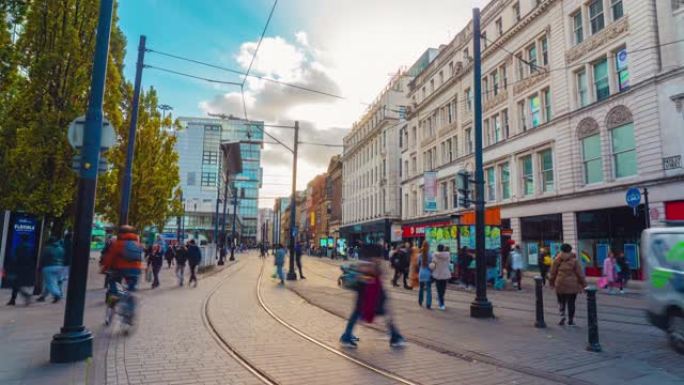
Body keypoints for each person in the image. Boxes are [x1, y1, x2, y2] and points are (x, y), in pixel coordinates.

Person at [339, 243, 405, 349]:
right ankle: (395, 336)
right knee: (385, 314)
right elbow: (371, 276)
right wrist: (374, 271)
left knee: (359, 315)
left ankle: (395, 336)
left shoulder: (366, 263)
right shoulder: (369, 264)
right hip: (370, 295)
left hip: (371, 295)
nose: (380, 258)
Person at [100, 225, 144, 323]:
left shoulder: (117, 243)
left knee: (113, 289)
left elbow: (109, 258)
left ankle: (110, 311)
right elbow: (141, 258)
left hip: (119, 269)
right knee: (131, 291)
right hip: (135, 270)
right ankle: (129, 312)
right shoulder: (138, 244)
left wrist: (104, 269)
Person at [549, 243, 586, 326]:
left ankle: (562, 316)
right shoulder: (574, 261)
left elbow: (552, 273)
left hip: (560, 284)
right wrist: (584, 285)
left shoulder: (556, 260)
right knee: (571, 303)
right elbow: (580, 274)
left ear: (561, 250)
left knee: (561, 301)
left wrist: (551, 283)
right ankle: (571, 320)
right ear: (570, 250)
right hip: (572, 285)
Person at [6, 235, 36, 306]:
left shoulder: (19, 247)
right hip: (27, 268)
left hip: (19, 267)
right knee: (18, 284)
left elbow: (15, 257)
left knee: (15, 284)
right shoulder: (31, 247)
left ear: (22, 239)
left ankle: (16, 299)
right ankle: (15, 299)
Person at [36, 236, 65, 303]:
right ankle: (43, 296)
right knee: (55, 282)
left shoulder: (46, 249)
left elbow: (42, 258)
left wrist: (40, 267)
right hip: (60, 267)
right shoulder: (61, 249)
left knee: (50, 283)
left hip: (49, 267)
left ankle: (57, 295)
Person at [432, 244, 451, 311]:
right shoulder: (448, 255)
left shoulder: (435, 255)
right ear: (443, 249)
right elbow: (449, 263)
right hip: (445, 274)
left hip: (437, 273)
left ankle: (441, 303)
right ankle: (441, 301)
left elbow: (433, 264)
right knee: (443, 289)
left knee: (439, 289)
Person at [417, 242, 433, 309]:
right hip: (428, 273)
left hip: (421, 273)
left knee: (421, 288)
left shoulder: (420, 255)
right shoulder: (430, 255)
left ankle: (420, 301)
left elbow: (418, 264)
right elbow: (432, 265)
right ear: (428, 247)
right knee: (429, 289)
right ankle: (428, 304)